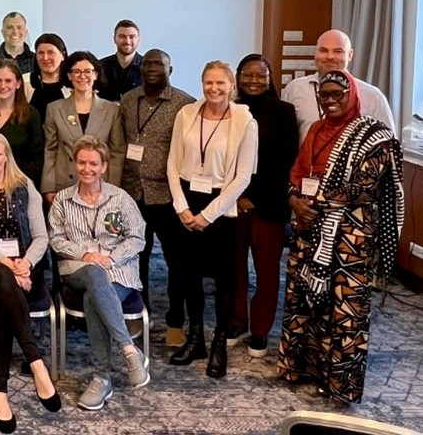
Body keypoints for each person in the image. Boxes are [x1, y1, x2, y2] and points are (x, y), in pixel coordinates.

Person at [278, 70, 404, 404]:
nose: (331, 101)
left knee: (344, 308)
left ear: (353, 96)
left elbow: (363, 187)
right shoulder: (316, 130)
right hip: (309, 231)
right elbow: (297, 174)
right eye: (324, 95)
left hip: (351, 239)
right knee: (307, 301)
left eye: (338, 94)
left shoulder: (375, 137)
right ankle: (305, 368)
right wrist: (294, 200)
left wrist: (312, 205)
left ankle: (340, 385)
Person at [0, 133, 59, 431]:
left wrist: (26, 263)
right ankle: (36, 361)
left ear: (7, 156)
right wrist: (11, 266)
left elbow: (42, 235)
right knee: (2, 277)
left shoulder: (25, 187)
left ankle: (0, 394)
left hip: (27, 267)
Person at [166, 60, 258, 379]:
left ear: (232, 86)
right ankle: (196, 339)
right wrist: (181, 207)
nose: (214, 89)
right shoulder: (186, 114)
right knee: (187, 275)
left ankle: (219, 341)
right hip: (187, 203)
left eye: (221, 83)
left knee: (223, 281)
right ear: (201, 83)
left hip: (222, 207)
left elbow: (243, 177)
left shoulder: (246, 121)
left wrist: (208, 214)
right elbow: (172, 165)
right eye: (208, 83)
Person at [49, 136, 150, 411]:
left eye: (93, 163)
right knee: (93, 274)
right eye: (81, 162)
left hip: (119, 273)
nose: (87, 168)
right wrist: (86, 255)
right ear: (75, 163)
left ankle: (101, 377)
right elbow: (56, 239)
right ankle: (129, 349)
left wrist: (111, 257)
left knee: (95, 299)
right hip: (77, 270)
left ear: (104, 165)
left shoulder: (120, 198)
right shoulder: (62, 200)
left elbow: (138, 237)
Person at [118, 49, 196, 345]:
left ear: (170, 69)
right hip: (131, 192)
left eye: (158, 64)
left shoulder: (184, 105)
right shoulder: (127, 100)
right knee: (136, 258)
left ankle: (176, 321)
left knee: (177, 262)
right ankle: (139, 314)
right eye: (147, 63)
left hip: (167, 195)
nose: (152, 68)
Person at [228, 54, 299, 357]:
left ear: (270, 79)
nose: (254, 81)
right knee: (233, 268)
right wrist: (236, 196)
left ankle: (260, 330)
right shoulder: (229, 111)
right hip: (232, 203)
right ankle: (236, 320)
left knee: (267, 271)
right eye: (248, 75)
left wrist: (253, 197)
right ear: (239, 78)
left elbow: (285, 162)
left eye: (261, 76)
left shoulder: (284, 112)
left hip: (269, 204)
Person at [41, 51, 126, 203]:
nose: (82, 76)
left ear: (96, 75)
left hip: (100, 186)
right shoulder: (54, 109)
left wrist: (113, 189)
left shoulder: (112, 110)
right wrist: (48, 187)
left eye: (88, 71)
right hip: (64, 186)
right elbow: (50, 150)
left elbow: (117, 153)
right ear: (69, 76)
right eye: (76, 71)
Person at [280, 29, 395, 142]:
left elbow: (388, 144)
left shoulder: (373, 97)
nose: (330, 56)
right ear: (315, 53)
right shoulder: (294, 89)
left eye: (338, 51)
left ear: (350, 55)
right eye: (323, 50)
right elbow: (282, 138)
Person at [0, 60, 44, 183]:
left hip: (20, 183)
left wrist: (16, 181)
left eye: (8, 81)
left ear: (18, 83)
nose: (2, 86)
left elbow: (36, 158)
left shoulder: (31, 115)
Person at [98, 20, 142, 102]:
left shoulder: (148, 67)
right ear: (114, 39)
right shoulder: (100, 66)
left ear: (138, 39)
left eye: (131, 37)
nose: (127, 41)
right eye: (122, 36)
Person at [28, 33, 69, 117]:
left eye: (51, 52)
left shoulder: (73, 84)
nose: (45, 58)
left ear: (63, 55)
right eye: (41, 53)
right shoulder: (25, 82)